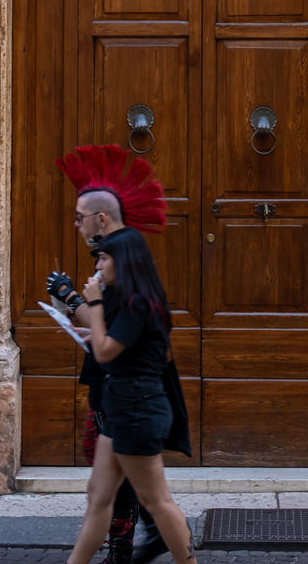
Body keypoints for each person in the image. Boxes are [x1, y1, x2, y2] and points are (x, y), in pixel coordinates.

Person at [48, 185, 168, 564]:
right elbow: (108, 329)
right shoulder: (115, 256)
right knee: (111, 486)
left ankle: (142, 539)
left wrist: (73, 300)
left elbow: (112, 331)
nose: (76, 224)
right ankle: (138, 539)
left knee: (142, 490)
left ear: (101, 218)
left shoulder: (121, 257)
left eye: (80, 216)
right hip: (113, 386)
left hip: (125, 392)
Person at [63, 226, 196, 564]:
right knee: (99, 497)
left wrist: (92, 304)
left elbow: (107, 353)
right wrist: (91, 330)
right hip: (122, 405)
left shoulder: (139, 302)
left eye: (103, 259)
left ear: (124, 261)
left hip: (138, 408)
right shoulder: (128, 299)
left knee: (157, 501)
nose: (98, 267)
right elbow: (118, 345)